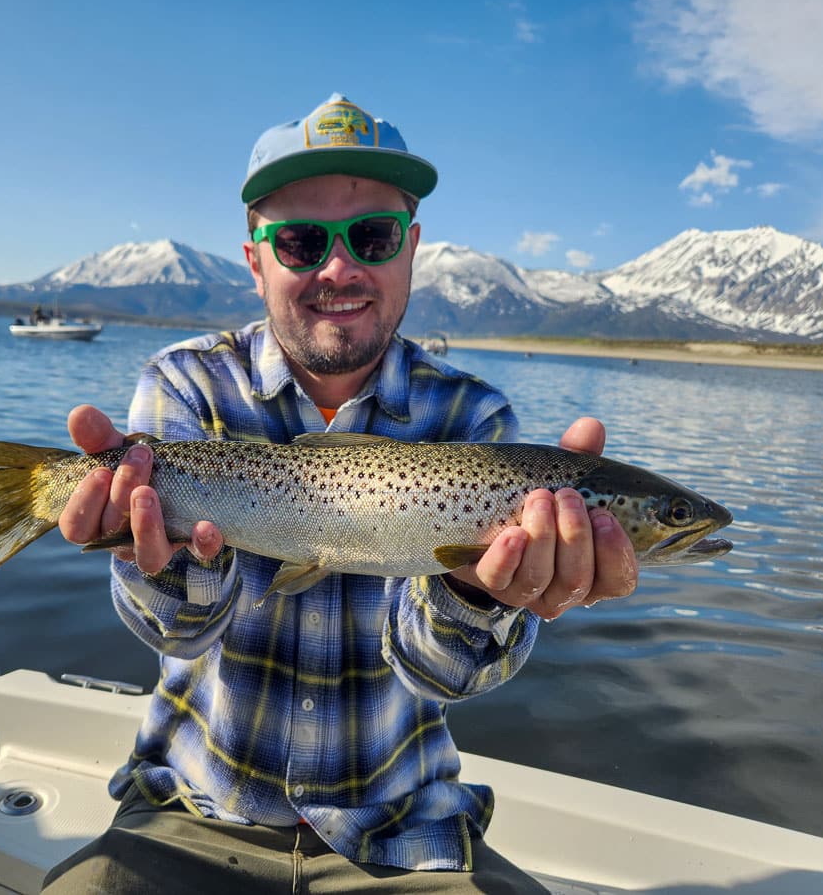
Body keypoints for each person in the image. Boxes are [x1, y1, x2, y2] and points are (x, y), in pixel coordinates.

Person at [46, 94, 639, 894]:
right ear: (256, 260)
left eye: (372, 236)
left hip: (404, 829)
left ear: (411, 250)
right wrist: (161, 560)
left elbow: (441, 677)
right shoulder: (184, 384)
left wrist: (477, 590)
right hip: (191, 810)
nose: (339, 268)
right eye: (299, 240)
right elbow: (177, 635)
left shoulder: (474, 417)